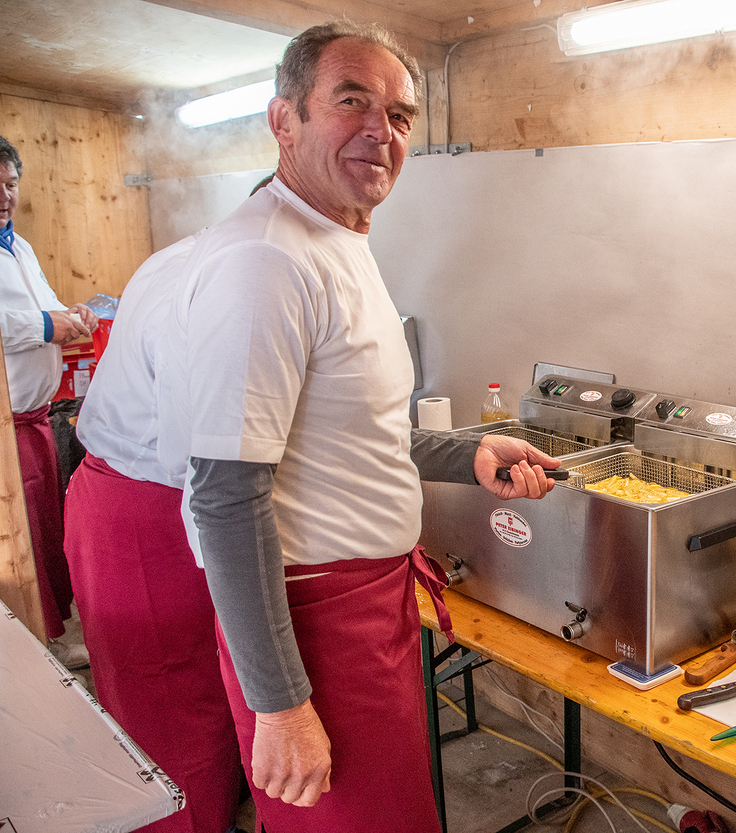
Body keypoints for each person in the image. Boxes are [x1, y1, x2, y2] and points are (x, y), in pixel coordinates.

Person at [156, 21, 561, 831]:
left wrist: (468, 451)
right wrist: (281, 703)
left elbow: (346, 432)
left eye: (401, 115)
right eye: (352, 101)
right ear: (284, 120)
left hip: (365, 605)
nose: (382, 130)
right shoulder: (266, 261)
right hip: (314, 621)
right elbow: (226, 495)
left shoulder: (333, 237)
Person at [65, 230, 249, 833]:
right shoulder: (222, 285)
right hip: (148, 517)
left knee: (199, 694)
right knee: (171, 707)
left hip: (130, 499)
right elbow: (202, 456)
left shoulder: (197, 253)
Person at [0, 134, 97, 665]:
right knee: (21, 536)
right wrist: (44, 325)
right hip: (6, 426)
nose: (5, 197)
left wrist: (71, 312)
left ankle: (51, 628)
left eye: (11, 184)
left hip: (35, 417)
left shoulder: (20, 246)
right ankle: (35, 640)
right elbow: (16, 322)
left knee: (43, 524)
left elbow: (45, 304)